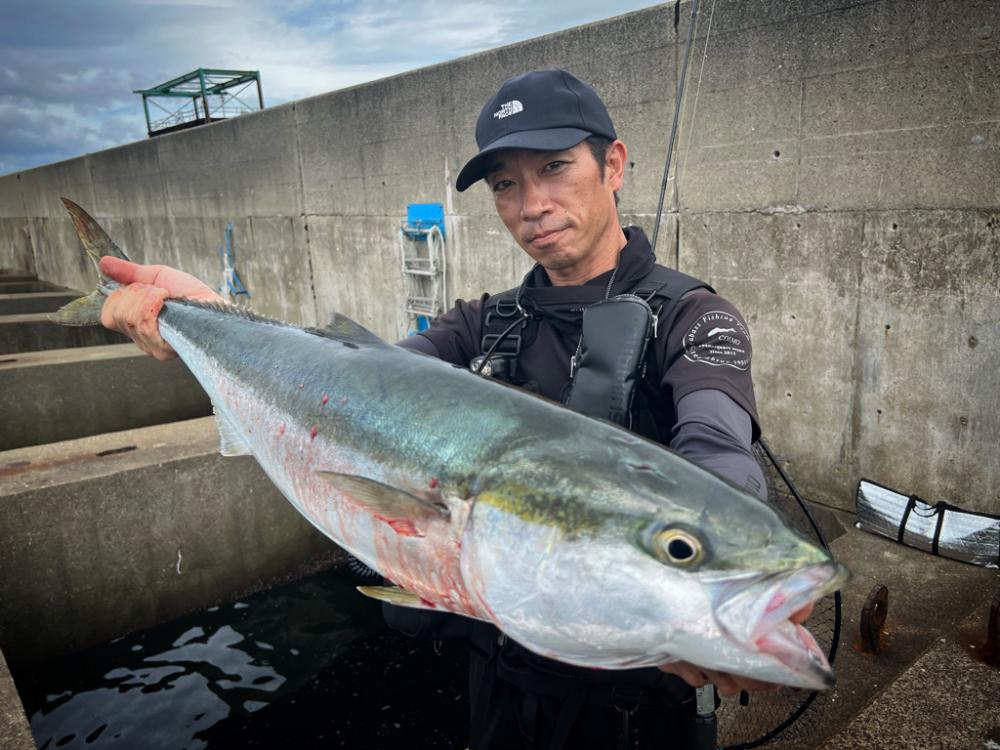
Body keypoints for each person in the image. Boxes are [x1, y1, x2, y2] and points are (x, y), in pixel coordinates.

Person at [100, 68, 813, 750]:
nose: (532, 205)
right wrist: (205, 314)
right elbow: (353, 380)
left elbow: (718, 449)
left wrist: (714, 570)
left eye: (556, 167)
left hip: (635, 714)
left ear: (613, 165)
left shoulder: (694, 318)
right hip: (499, 686)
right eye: (507, 184)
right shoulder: (482, 322)